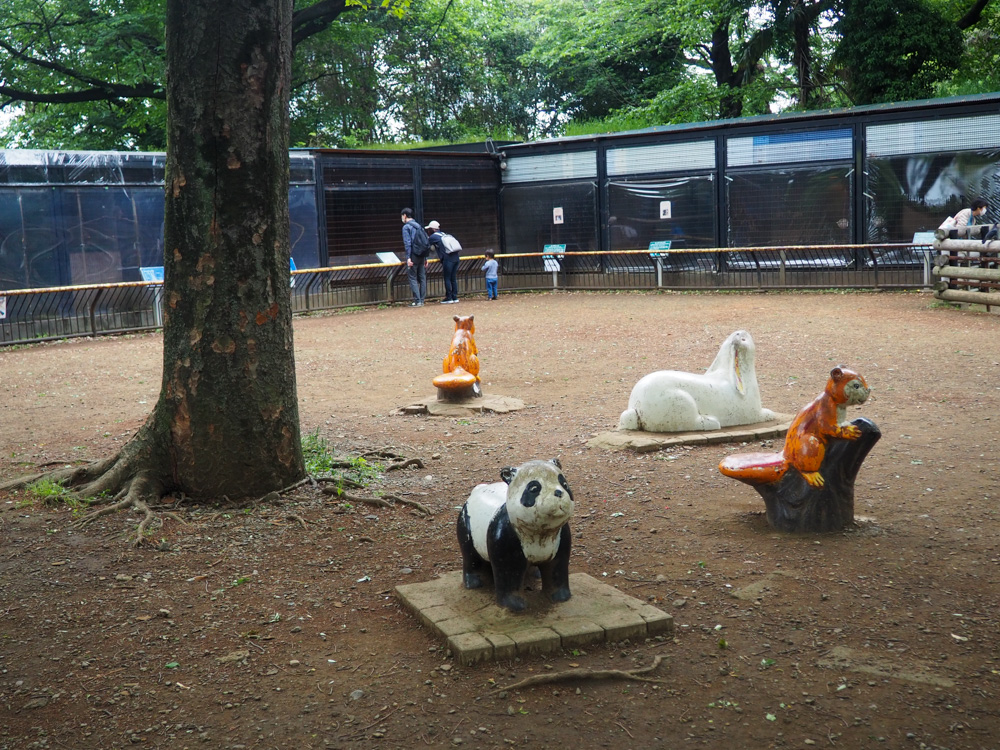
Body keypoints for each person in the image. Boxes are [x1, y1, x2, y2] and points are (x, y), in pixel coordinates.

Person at [426, 220, 461, 303]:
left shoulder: (433, 237)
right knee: (453, 278)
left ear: (433, 229)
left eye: (429, 229)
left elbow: (426, 245)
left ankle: (449, 297)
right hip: (456, 258)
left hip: (448, 259)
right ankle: (454, 297)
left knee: (447, 278)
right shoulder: (444, 234)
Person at [400, 207, 428, 307]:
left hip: (413, 255)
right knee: (422, 277)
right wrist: (425, 258)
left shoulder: (406, 227)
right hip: (422, 255)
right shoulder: (419, 226)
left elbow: (408, 243)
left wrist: (408, 257)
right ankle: (422, 299)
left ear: (404, 215)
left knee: (412, 277)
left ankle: (417, 301)